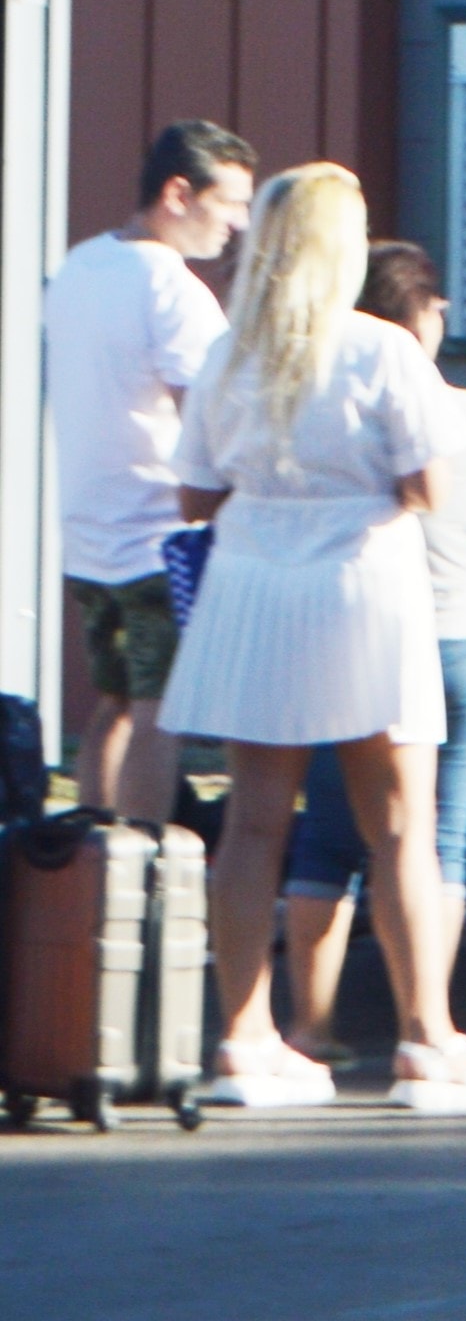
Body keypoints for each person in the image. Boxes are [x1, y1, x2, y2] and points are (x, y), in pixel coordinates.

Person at [162, 166, 466, 1117]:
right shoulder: (382, 349)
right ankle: (425, 1038)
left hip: (251, 584)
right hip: (363, 583)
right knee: (397, 821)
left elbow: (193, 496)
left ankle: (246, 1037)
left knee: (255, 818)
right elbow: (431, 488)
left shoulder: (230, 353)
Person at [276, 242, 466, 1045]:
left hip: (354, 635)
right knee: (438, 839)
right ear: (422, 314)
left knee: (328, 839)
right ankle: (428, 1028)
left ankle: (309, 1027)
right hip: (463, 637)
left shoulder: (322, 408)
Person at [43, 117, 252, 831]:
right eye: (229, 203)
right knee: (160, 711)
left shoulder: (81, 264)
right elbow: (210, 417)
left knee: (111, 704)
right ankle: (137, 865)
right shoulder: (172, 286)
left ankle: (83, 869)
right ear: (177, 193)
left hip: (86, 530)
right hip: (159, 534)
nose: (240, 224)